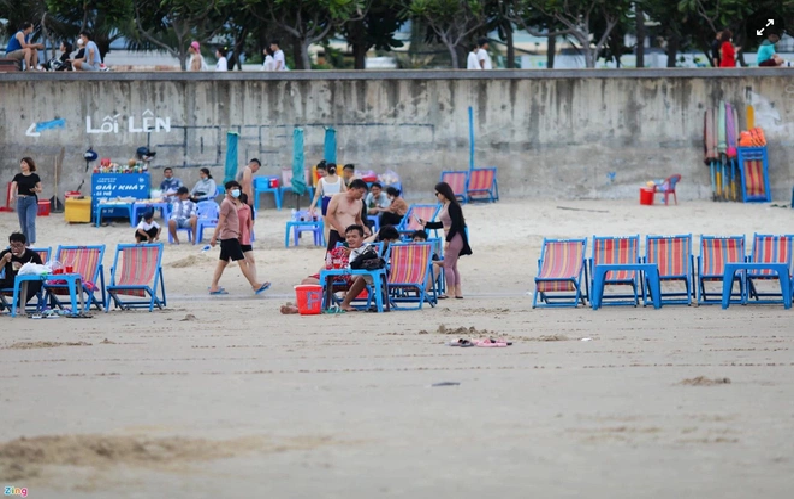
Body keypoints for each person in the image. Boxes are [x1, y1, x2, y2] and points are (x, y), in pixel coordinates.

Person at [208, 181, 270, 295]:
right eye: (233, 188)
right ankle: (255, 285)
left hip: (230, 236)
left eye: (237, 188)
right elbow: (221, 222)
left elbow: (231, 222)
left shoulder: (231, 203)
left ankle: (214, 286)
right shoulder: (226, 204)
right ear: (227, 190)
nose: (236, 190)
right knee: (242, 262)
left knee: (222, 263)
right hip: (229, 238)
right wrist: (214, 237)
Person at [421, 182, 472, 299]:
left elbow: (456, 225)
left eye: (437, 194)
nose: (437, 196)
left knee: (448, 265)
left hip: (454, 238)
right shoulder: (447, 205)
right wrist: (427, 224)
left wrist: (448, 240)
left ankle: (451, 291)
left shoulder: (453, 206)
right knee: (453, 266)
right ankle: (457, 291)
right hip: (453, 237)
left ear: (444, 193)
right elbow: (443, 224)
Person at [0, 233, 43, 309]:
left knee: (37, 282)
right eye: (12, 245)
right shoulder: (6, 254)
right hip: (11, 281)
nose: (15, 248)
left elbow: (41, 270)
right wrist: (3, 260)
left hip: (27, 282)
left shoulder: (32, 255)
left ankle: (19, 305)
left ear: (24, 245)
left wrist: (24, 267)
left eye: (18, 245)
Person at [325, 179, 367, 251]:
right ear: (353, 189)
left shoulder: (359, 202)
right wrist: (339, 228)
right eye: (360, 192)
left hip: (352, 234)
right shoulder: (337, 198)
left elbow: (358, 219)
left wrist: (363, 231)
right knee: (333, 256)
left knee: (350, 256)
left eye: (363, 193)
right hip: (336, 232)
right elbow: (329, 216)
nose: (361, 195)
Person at [10, 157, 42, 246]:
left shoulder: (35, 176)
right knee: (23, 224)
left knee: (31, 222)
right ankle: (26, 243)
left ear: (29, 164)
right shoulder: (18, 176)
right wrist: (11, 196)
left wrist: (35, 189)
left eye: (24, 163)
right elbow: (13, 187)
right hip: (20, 201)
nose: (22, 165)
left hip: (31, 200)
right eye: (21, 163)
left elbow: (40, 189)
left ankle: (32, 241)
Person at [237, 193, 256, 281]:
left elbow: (250, 223)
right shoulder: (229, 206)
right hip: (231, 238)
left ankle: (254, 283)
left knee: (251, 259)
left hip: (244, 238)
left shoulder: (248, 208)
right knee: (223, 263)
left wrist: (248, 234)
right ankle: (215, 284)